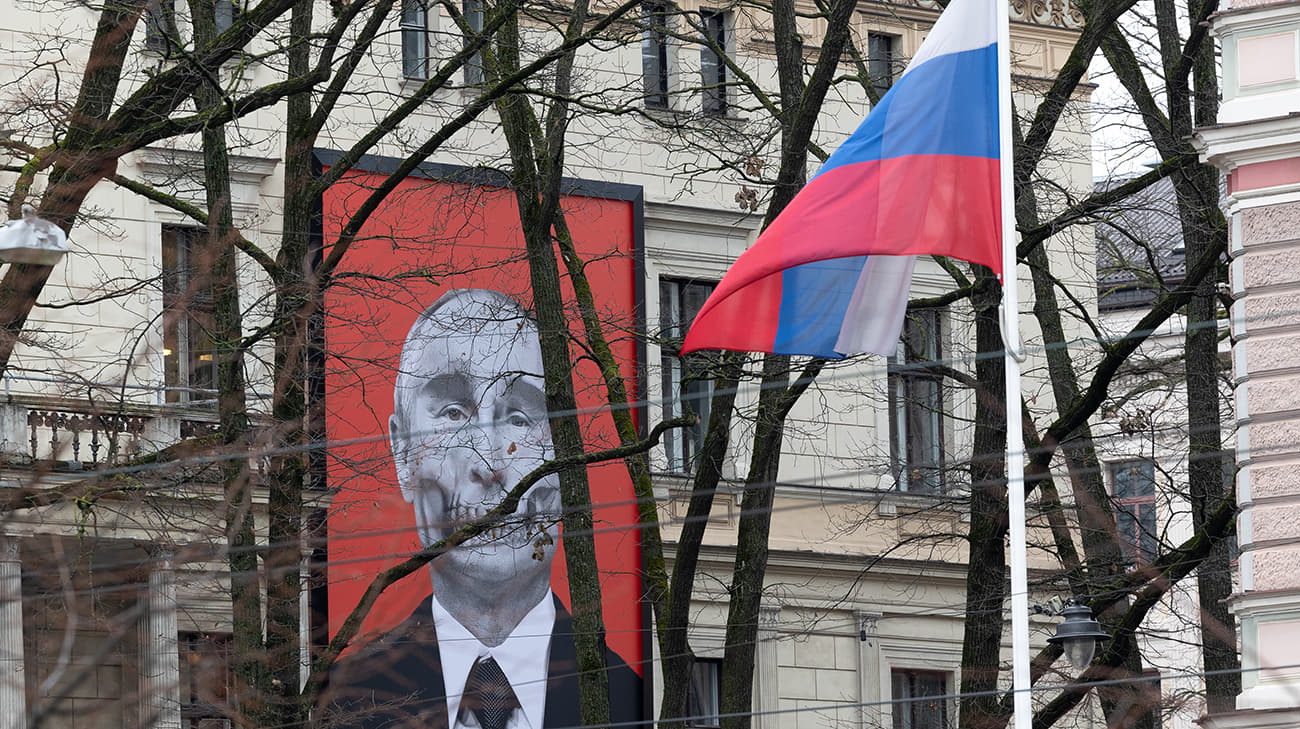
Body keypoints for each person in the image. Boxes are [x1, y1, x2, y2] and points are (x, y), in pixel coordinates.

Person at [322, 289, 642, 729]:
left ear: (567, 454)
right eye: (453, 413)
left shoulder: (635, 703)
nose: (489, 463)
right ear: (402, 451)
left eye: (519, 418)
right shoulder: (346, 704)